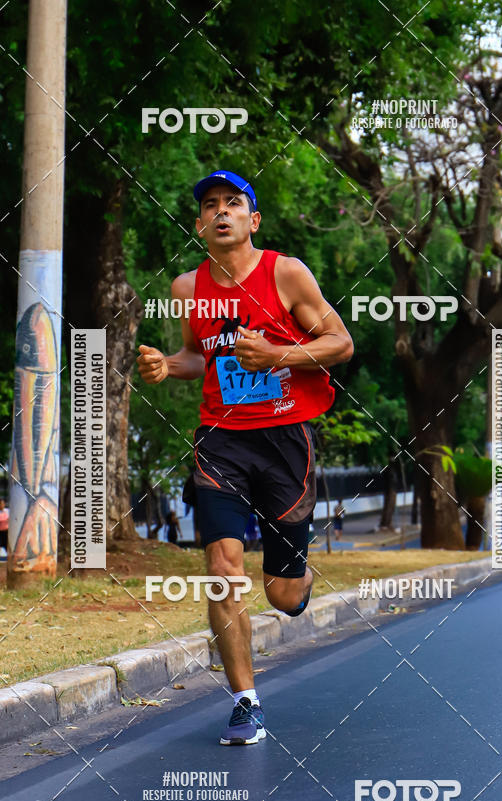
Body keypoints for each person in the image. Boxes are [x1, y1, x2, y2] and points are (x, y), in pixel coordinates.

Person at [137, 169, 353, 745]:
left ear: (253, 220)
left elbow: (341, 342)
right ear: (201, 223)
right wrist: (168, 366)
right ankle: (246, 702)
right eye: (211, 205)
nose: (222, 211)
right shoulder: (188, 288)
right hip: (221, 441)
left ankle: (298, 578)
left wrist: (279, 352)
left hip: (284, 441)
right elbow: (196, 358)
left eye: (234, 203)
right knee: (222, 570)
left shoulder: (286, 272)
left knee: (281, 595)